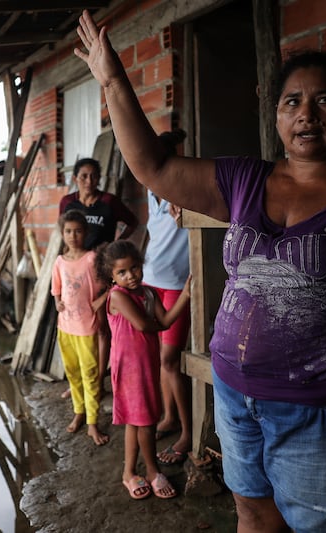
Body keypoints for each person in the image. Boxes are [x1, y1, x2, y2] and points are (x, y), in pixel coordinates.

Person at [75, 10, 326, 532]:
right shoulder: (247, 178)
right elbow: (154, 167)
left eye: (324, 100)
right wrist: (112, 79)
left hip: (322, 410)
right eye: (293, 101)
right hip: (235, 397)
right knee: (251, 512)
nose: (307, 114)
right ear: (275, 113)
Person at [95, 239, 191, 500]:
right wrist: (158, 324)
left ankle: (128, 473)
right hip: (129, 370)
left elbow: (167, 320)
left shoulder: (148, 293)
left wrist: (185, 295)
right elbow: (144, 325)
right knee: (146, 422)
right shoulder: (117, 296)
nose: (131, 276)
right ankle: (152, 471)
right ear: (111, 276)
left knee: (136, 421)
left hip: (147, 367)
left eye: (135, 268)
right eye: (122, 272)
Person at [60, 157, 140, 397]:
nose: (89, 181)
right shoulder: (67, 202)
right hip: (75, 270)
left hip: (101, 268)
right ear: (75, 178)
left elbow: (133, 222)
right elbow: (63, 229)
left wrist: (113, 243)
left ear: (100, 178)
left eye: (94, 176)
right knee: (74, 324)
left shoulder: (109, 202)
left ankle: (99, 383)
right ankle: (76, 383)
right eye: (83, 176)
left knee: (101, 326)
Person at [142, 129, 193, 465]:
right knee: (161, 358)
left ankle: (188, 432)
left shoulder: (188, 189)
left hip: (176, 284)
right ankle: (170, 417)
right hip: (150, 281)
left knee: (170, 360)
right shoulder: (151, 188)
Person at [51, 210, 109, 446]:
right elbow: (56, 287)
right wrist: (57, 301)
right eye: (68, 231)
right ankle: (79, 412)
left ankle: (92, 422)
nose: (73, 235)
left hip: (86, 328)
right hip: (65, 327)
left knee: (91, 375)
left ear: (85, 233)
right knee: (73, 374)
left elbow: (111, 282)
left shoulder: (92, 259)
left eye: (77, 231)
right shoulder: (59, 261)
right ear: (62, 234)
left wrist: (101, 299)